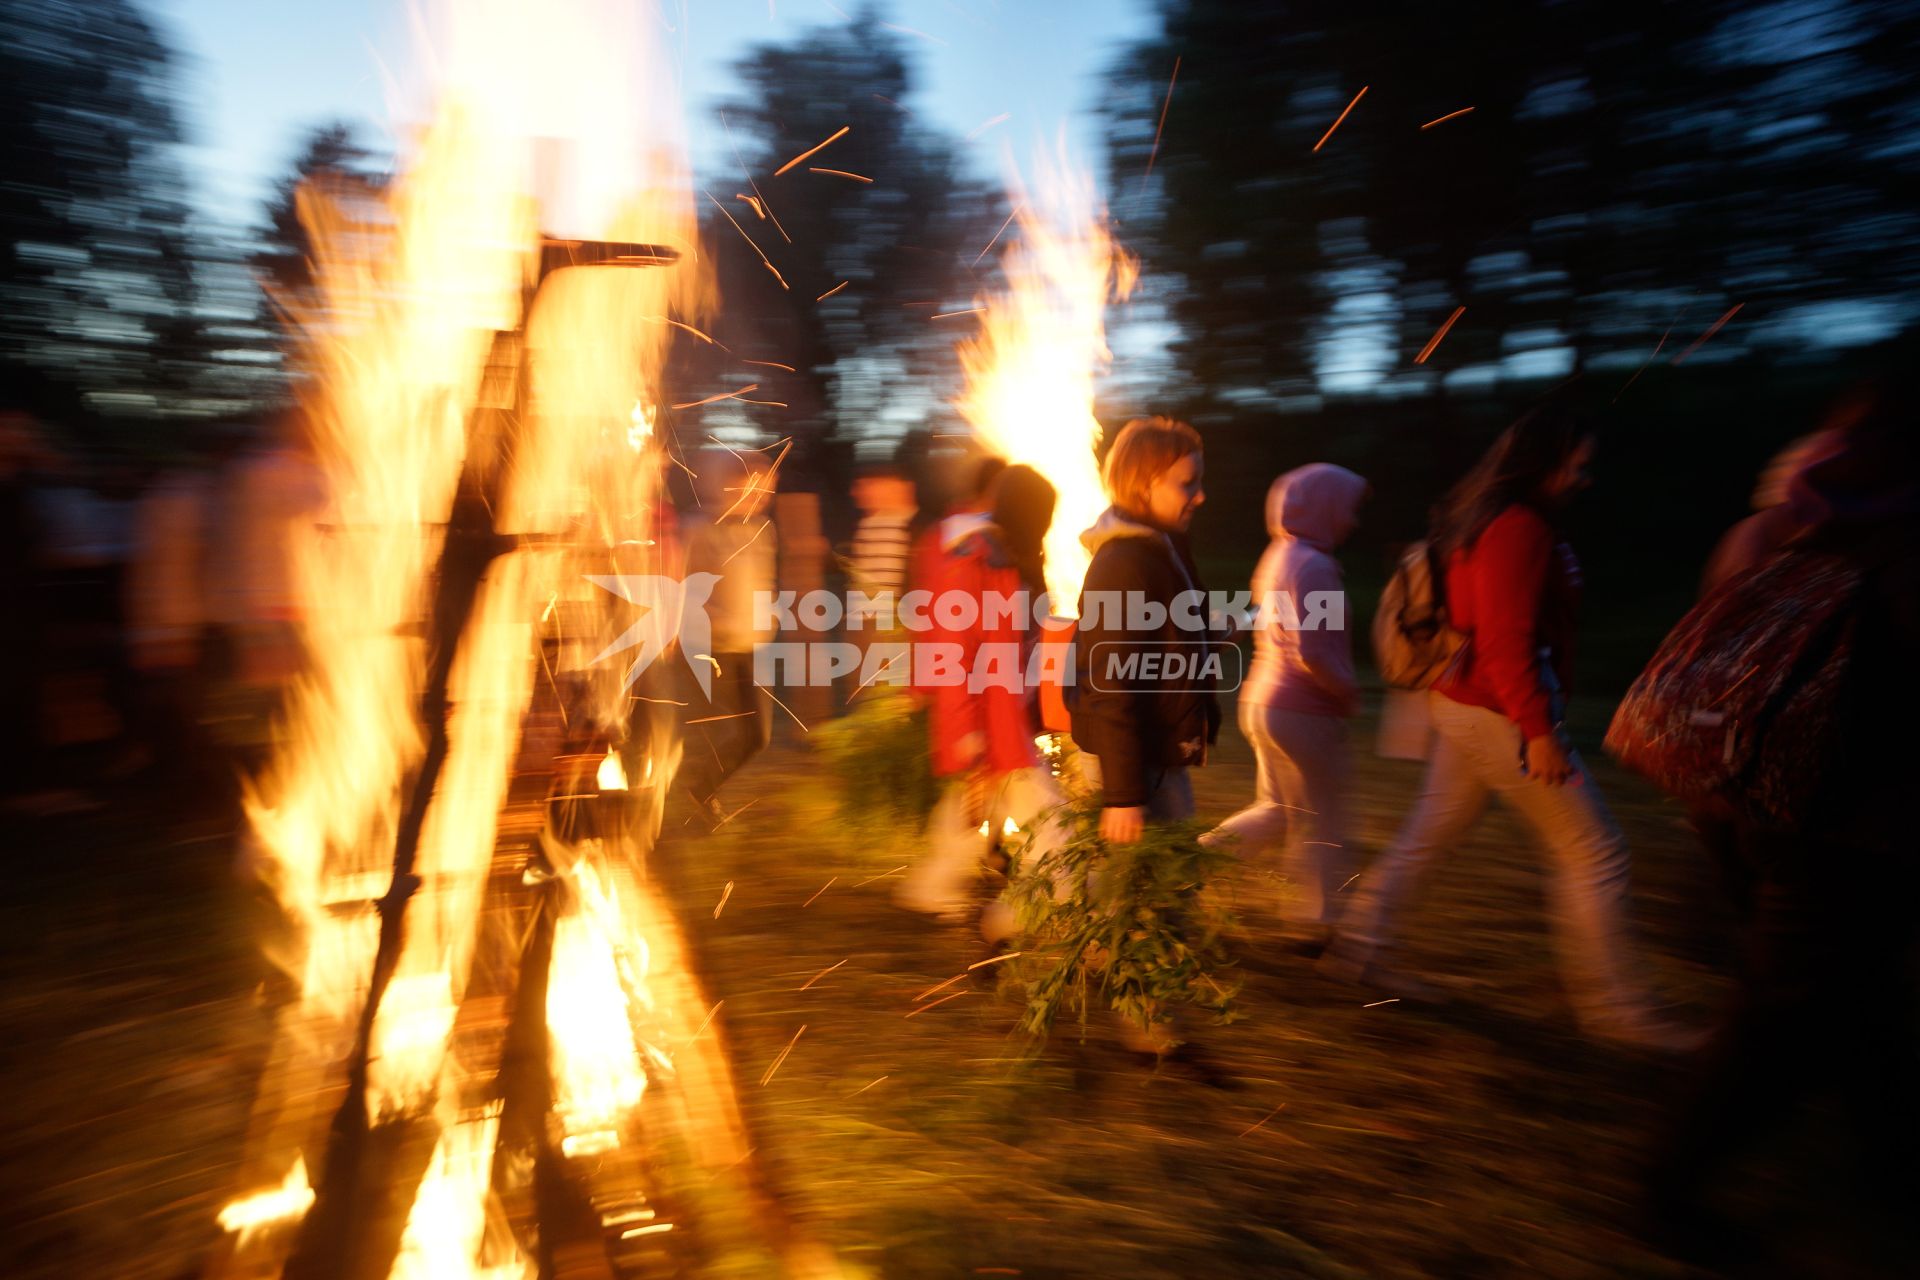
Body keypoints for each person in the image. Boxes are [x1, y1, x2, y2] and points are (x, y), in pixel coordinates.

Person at [1646, 374, 1920, 1260]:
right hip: (1841, 816)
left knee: (1860, 1000)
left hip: (1777, 796)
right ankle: (1664, 1192)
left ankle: (1890, 1168)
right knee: (1785, 1009)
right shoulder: (1891, 539)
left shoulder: (1811, 524)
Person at [1323, 406, 1695, 1050]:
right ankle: (1620, 1011)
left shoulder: (1488, 521)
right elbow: (1505, 640)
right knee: (1594, 851)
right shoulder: (1516, 527)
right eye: (1577, 465)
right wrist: (1540, 729)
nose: (1585, 477)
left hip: (1467, 703)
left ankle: (1360, 946)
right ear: (1543, 466)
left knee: (1430, 834)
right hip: (1495, 711)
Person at [1205, 464, 1368, 952]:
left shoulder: (1278, 555)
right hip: (1303, 709)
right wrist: (1345, 693)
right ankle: (1312, 924)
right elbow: (1313, 652)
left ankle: (1189, 865)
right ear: (1322, 506)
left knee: (1277, 810)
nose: (1352, 521)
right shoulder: (1314, 565)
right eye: (1346, 508)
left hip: (1262, 700)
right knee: (1322, 817)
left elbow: (1259, 616)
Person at [896, 465, 1064, 926]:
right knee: (1052, 831)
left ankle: (932, 891)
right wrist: (967, 731)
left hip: (1009, 722)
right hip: (994, 728)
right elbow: (954, 653)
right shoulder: (976, 561)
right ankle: (1016, 919)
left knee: (967, 817)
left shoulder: (1015, 557)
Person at [1073, 416, 1219, 840]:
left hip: (1151, 752)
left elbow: (1161, 641)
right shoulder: (1123, 564)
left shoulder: (1161, 550)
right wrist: (1122, 795)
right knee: (1140, 892)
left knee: (1153, 890)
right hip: (1135, 759)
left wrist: (1213, 637)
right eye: (1186, 484)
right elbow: (1108, 683)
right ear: (1143, 484)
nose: (1200, 496)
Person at [677, 447, 777, 822]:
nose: (763, 494)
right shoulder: (699, 529)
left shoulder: (762, 530)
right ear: (732, 486)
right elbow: (687, 588)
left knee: (756, 737)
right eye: (755, 486)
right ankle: (684, 790)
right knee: (707, 731)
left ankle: (700, 787)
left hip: (753, 647)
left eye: (767, 487)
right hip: (713, 648)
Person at [845, 461, 917, 643]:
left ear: (892, 486)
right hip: (864, 625)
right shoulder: (867, 525)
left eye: (866, 485)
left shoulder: (914, 526)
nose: (856, 493)